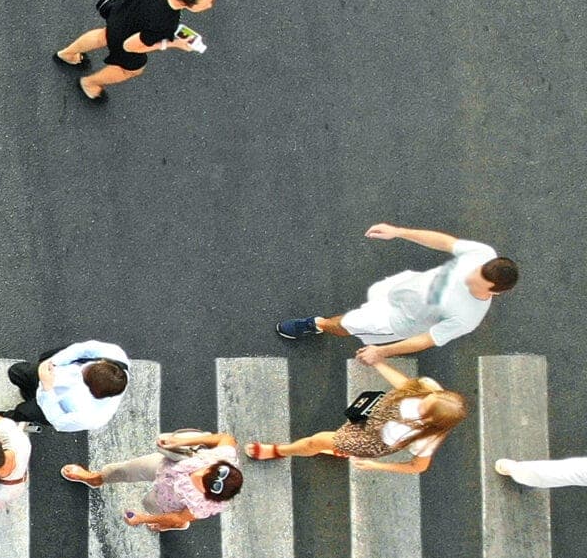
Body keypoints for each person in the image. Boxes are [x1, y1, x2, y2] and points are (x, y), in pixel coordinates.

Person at [278, 222, 515, 361]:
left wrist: (382, 352)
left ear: (494, 292)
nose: (470, 275)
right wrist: (398, 231)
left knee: (345, 326)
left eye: (478, 280)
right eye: (477, 270)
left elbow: (427, 339)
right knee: (373, 295)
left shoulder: (467, 318)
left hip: (396, 320)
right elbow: (445, 242)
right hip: (403, 287)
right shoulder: (483, 254)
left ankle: (318, 324)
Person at [244, 359, 464, 472]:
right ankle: (338, 449)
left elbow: (418, 467)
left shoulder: (427, 439)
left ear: (431, 421)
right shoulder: (429, 389)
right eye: (427, 398)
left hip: (370, 441)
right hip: (370, 414)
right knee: (341, 432)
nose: (421, 401)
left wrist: (377, 466)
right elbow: (406, 386)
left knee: (317, 440)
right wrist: (378, 363)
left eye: (425, 407)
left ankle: (279, 450)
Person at [55, 0, 216, 102]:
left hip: (123, 8)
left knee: (104, 35)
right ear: (189, 4)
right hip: (127, 35)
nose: (209, 5)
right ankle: (89, 84)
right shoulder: (165, 22)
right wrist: (174, 43)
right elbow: (131, 46)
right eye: (207, 3)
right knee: (132, 70)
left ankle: (67, 54)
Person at [60, 433, 243, 532]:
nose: (196, 474)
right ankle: (94, 479)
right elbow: (225, 439)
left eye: (201, 481)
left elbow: (179, 515)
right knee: (124, 470)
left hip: (169, 500)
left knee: (149, 504)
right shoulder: (223, 456)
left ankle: (175, 527)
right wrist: (181, 440)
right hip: (165, 467)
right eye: (206, 469)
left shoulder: (204, 504)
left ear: (209, 494)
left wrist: (143, 518)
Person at [0, 340, 130, 431]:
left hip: (50, 402)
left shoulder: (93, 417)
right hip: (49, 371)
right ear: (103, 363)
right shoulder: (115, 354)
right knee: (16, 372)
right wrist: (53, 362)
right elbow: (80, 349)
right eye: (86, 366)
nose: (80, 369)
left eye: (83, 375)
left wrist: (47, 388)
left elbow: (58, 421)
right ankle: (29, 393)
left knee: (22, 412)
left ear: (92, 391)